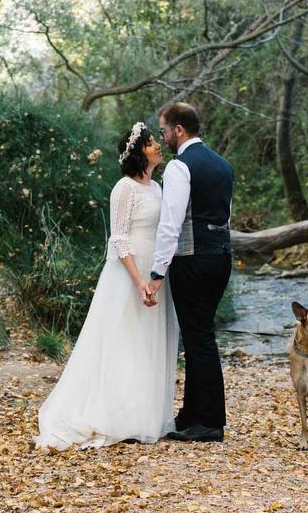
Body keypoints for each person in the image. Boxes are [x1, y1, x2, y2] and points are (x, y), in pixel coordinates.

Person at [34, 123, 178, 450]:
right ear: (138, 152)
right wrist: (139, 280)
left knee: (147, 341)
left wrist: (157, 275)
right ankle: (114, 413)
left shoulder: (157, 188)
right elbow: (119, 237)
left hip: (156, 273)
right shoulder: (123, 188)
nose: (158, 146)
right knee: (124, 338)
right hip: (129, 273)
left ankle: (143, 413)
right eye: (152, 142)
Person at [143, 102, 234, 443]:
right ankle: (192, 414)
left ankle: (209, 422)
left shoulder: (181, 167)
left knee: (199, 338)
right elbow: (225, 216)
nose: (163, 136)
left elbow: (171, 224)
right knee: (201, 334)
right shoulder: (223, 166)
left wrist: (157, 271)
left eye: (164, 130)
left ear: (179, 130)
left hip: (192, 259)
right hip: (221, 257)